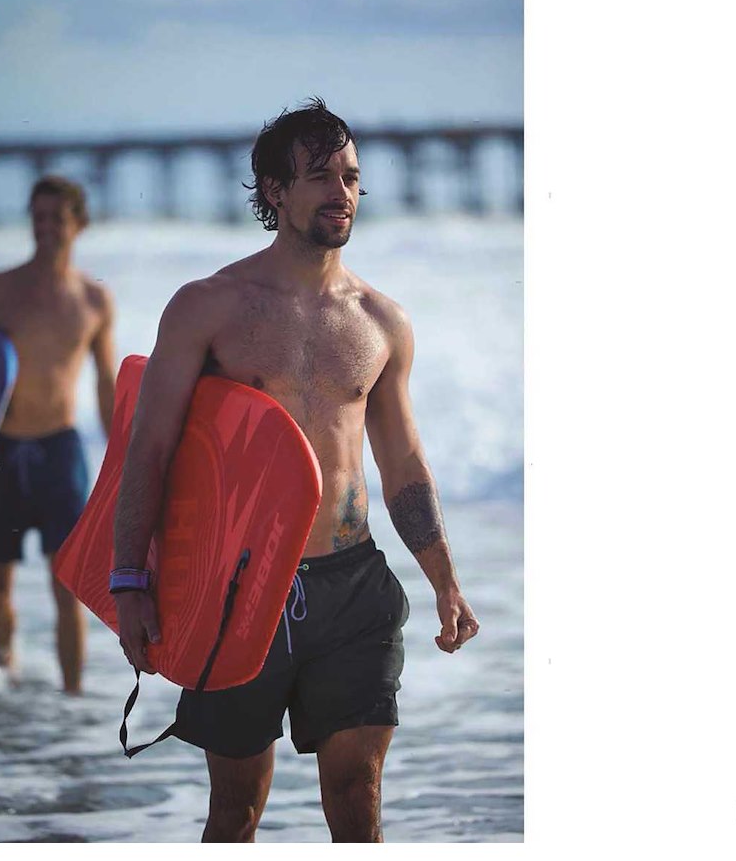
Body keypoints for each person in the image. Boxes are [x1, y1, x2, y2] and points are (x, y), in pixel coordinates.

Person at [111, 99, 479, 841]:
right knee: (236, 809)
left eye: (351, 176)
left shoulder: (382, 321)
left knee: (357, 796)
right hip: (240, 590)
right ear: (275, 190)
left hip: (354, 588)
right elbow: (147, 448)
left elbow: (403, 460)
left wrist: (444, 579)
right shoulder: (207, 308)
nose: (342, 192)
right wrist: (130, 582)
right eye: (321, 176)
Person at [0, 175, 116, 692]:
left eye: (56, 219)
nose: (45, 229)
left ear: (79, 225)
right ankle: (8, 681)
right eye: (38, 218)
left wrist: (122, 459)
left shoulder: (94, 300)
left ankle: (71, 699)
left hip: (59, 451)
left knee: (68, 584)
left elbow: (106, 382)